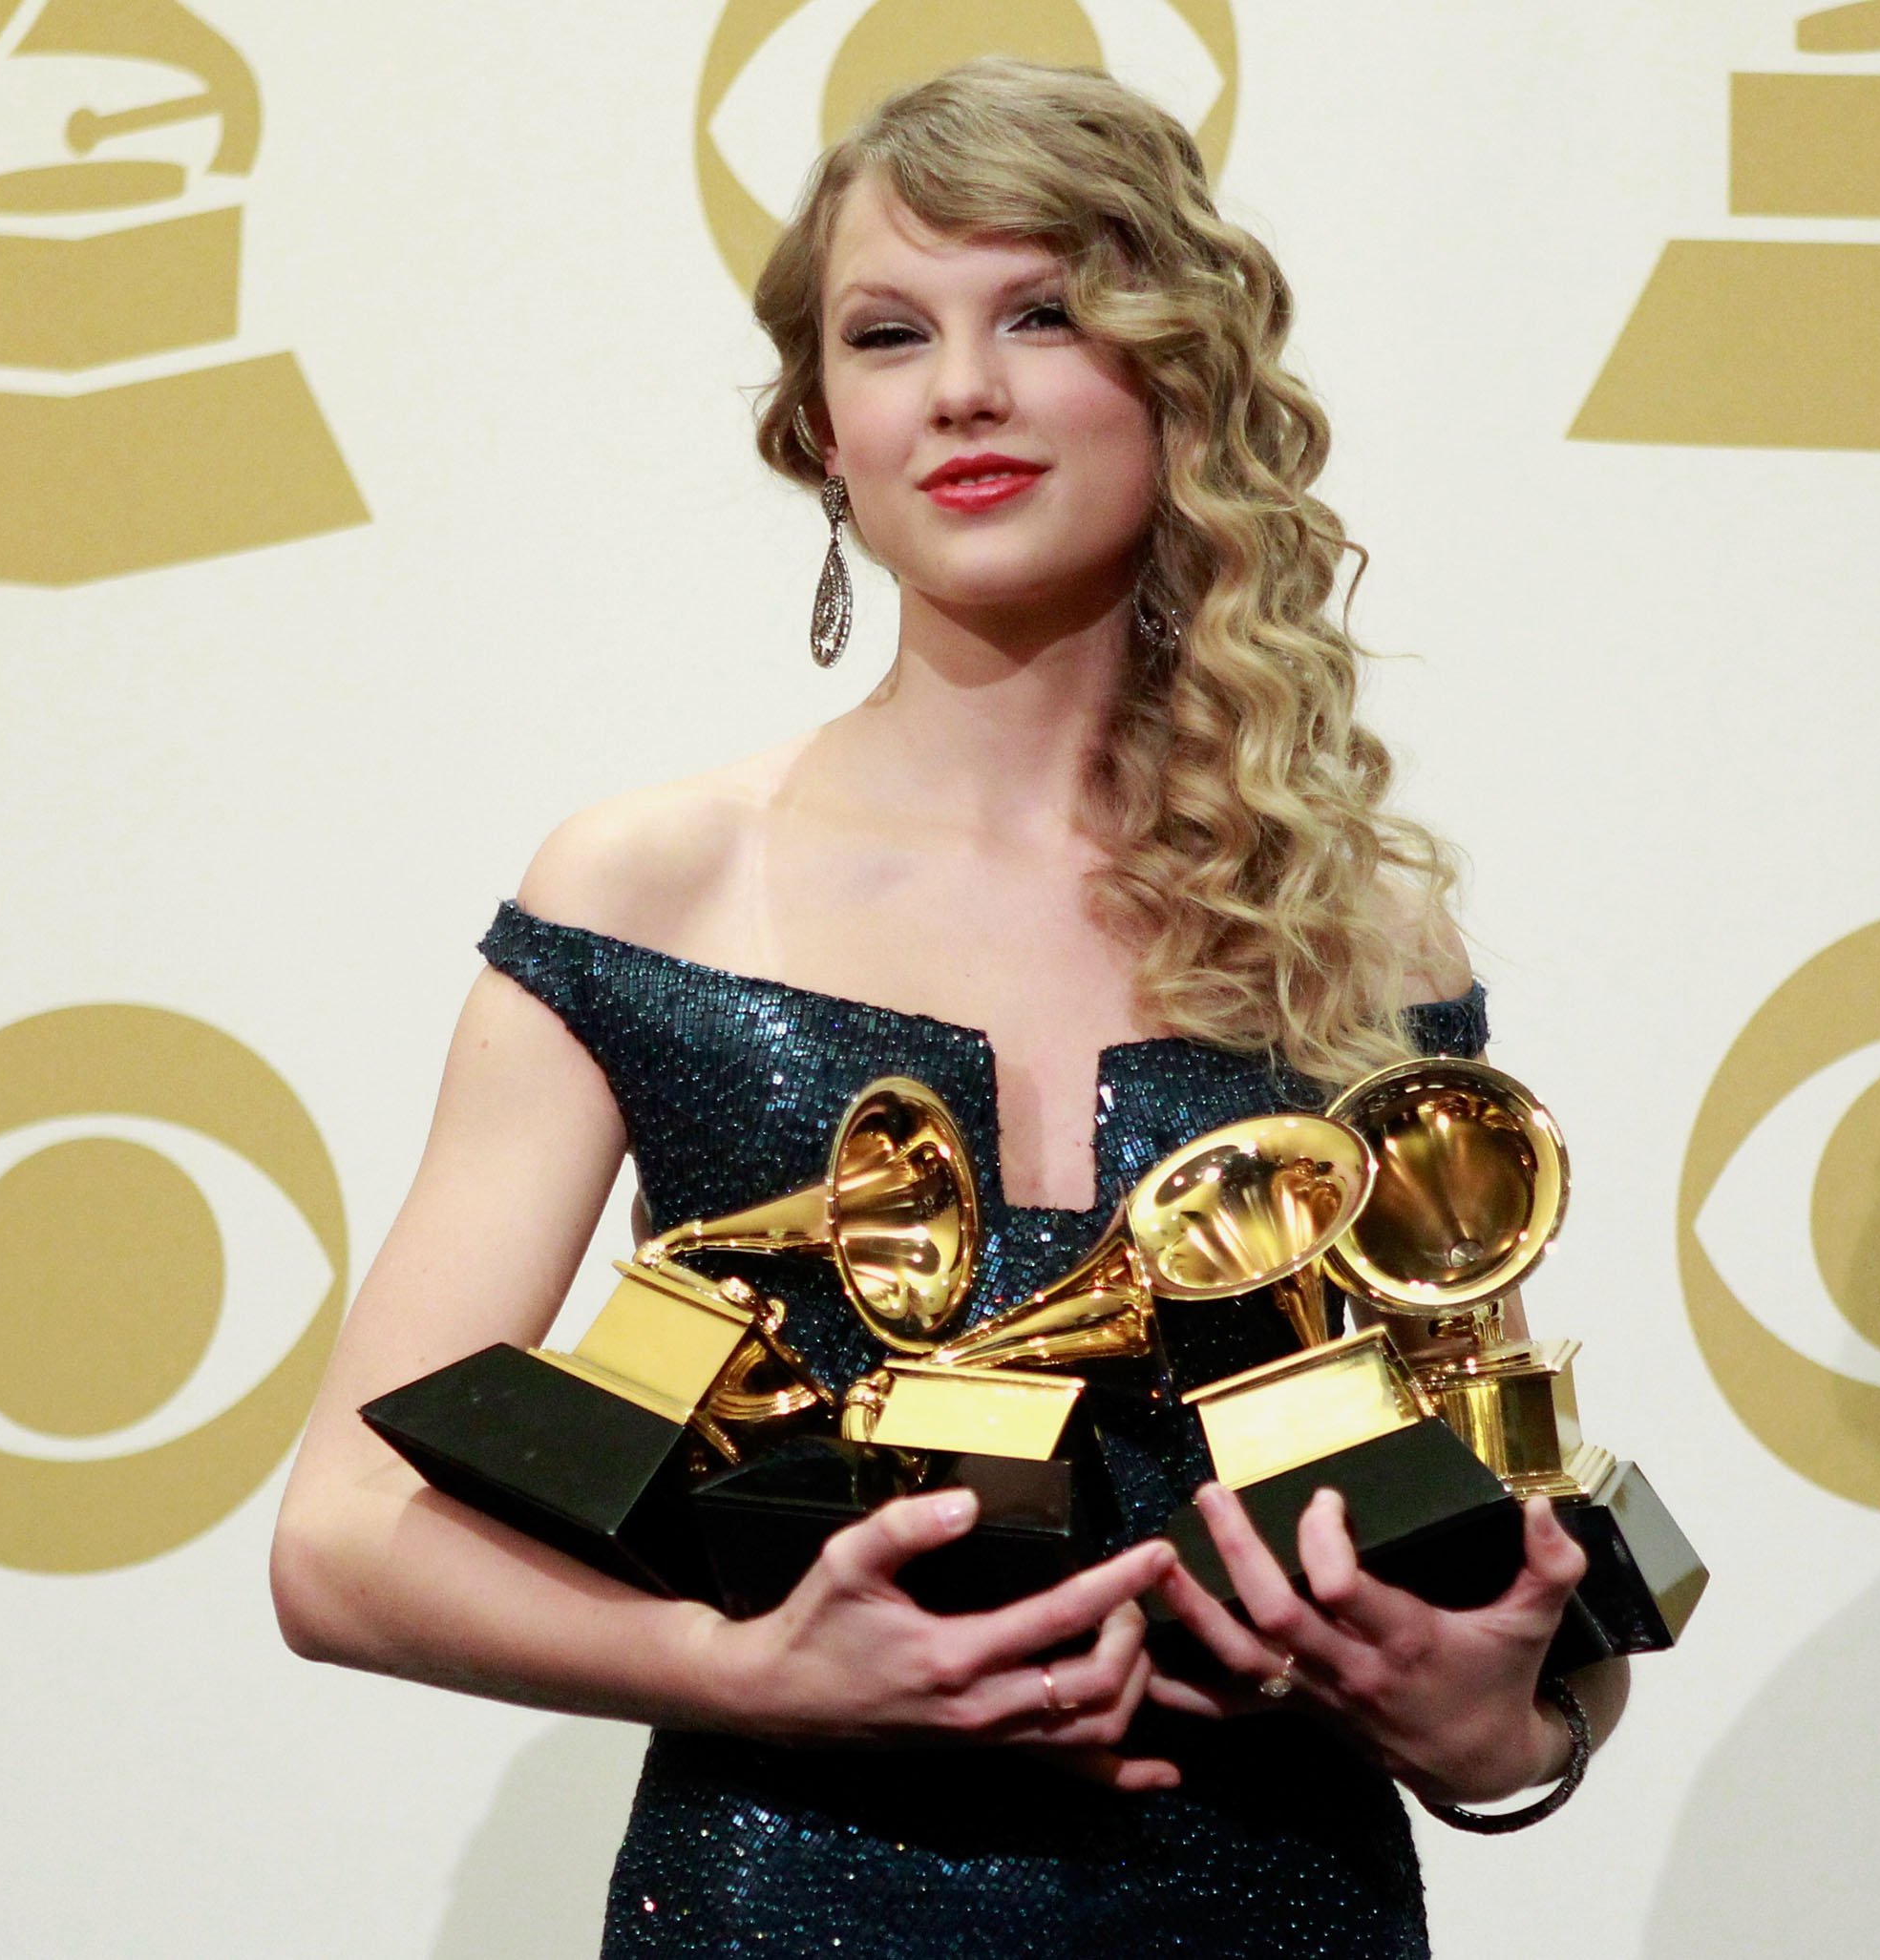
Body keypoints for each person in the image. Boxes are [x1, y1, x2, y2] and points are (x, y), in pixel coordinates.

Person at [270, 59, 1627, 1958]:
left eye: (1044, 314)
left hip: (1282, 1909)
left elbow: (1505, 1590)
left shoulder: (1358, 931)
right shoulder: (655, 884)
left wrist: (1499, 1718)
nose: (964, 389)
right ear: (825, 432)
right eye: (890, 335)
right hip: (791, 1901)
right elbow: (340, 1543)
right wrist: (752, 1670)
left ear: (1182, 378)